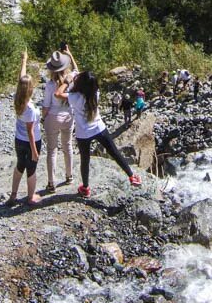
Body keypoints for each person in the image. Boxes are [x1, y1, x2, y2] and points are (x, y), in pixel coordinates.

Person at [67, 55, 141, 198]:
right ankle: (131, 176)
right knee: (114, 152)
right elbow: (81, 75)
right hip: (99, 128)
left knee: (85, 160)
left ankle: (86, 188)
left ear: (80, 84)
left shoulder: (74, 97)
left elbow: (59, 94)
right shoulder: (96, 93)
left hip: (83, 133)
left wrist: (68, 81)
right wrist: (70, 55)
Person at [9, 52, 42, 206]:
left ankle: (13, 195)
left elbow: (21, 78)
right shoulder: (31, 110)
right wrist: (35, 151)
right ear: (30, 89)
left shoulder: (18, 99)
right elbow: (30, 132)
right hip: (31, 141)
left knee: (19, 165)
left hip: (18, 140)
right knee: (32, 169)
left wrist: (24, 60)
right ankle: (30, 197)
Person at [40, 49, 75, 192]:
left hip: (53, 117)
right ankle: (69, 176)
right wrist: (70, 53)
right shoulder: (72, 81)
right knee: (68, 146)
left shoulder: (49, 85)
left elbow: (46, 106)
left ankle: (51, 183)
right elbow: (76, 70)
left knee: (52, 150)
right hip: (68, 116)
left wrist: (43, 118)